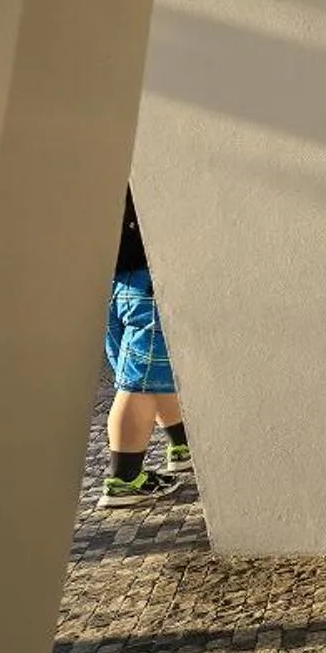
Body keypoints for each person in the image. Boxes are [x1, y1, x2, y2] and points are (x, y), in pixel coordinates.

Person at [101, 191, 193, 508]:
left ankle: (183, 446)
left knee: (151, 375)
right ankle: (124, 478)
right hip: (143, 276)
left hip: (108, 276)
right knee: (137, 384)